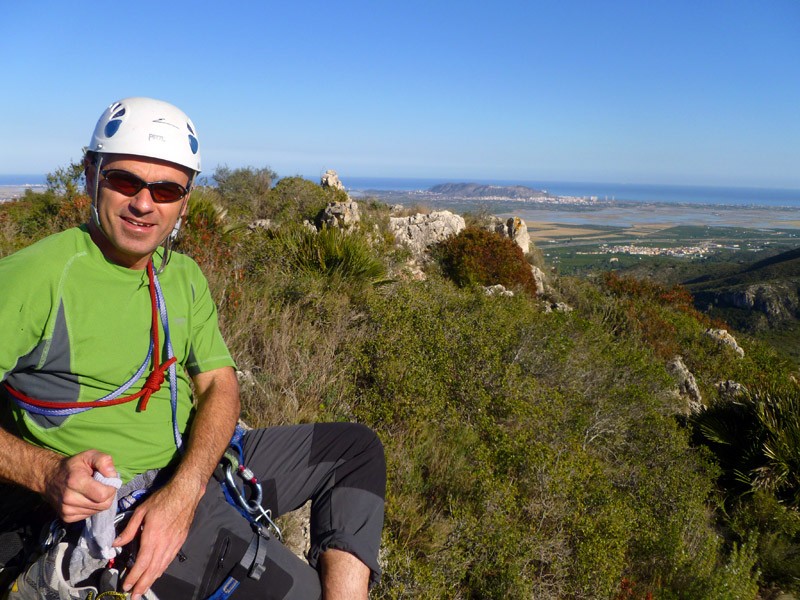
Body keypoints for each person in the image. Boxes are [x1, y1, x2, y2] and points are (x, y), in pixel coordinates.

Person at [0, 97, 386, 600]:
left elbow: (219, 383)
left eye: (165, 189)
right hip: (123, 506)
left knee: (355, 451)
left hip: (192, 471)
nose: (144, 203)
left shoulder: (181, 275)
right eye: (124, 181)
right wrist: (45, 472)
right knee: (304, 592)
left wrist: (185, 490)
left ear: (186, 197)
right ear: (91, 172)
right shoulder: (38, 278)